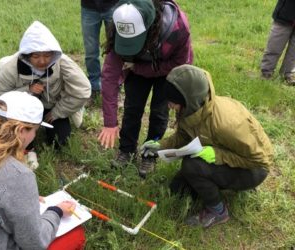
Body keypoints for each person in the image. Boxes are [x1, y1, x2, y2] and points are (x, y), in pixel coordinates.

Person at [0, 91, 86, 249]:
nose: (34, 136)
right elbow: (34, 244)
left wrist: (22, 200)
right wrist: (56, 211)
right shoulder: (20, 176)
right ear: (20, 131)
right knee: (75, 235)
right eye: (34, 130)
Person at [141, 65, 273, 228]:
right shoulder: (192, 107)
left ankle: (218, 211)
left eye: (173, 102)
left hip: (254, 170)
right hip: (235, 156)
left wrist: (217, 155)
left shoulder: (227, 124)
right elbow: (183, 136)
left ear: (188, 98)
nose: (169, 105)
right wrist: (160, 146)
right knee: (178, 190)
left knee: (191, 166)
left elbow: (260, 161)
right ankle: (217, 182)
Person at [98, 0, 193, 178]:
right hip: (134, 63)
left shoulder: (178, 29)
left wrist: (141, 69)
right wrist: (110, 123)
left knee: (159, 112)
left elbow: (179, 65)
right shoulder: (120, 24)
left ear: (150, 27)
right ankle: (126, 150)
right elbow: (109, 77)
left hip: (167, 69)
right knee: (132, 107)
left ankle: (150, 153)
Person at [0, 21, 91, 155]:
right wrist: (28, 89)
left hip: (52, 105)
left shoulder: (62, 62)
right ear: (27, 55)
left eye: (47, 55)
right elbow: (1, 97)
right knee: (18, 142)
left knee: (60, 143)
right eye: (36, 56)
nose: (42, 61)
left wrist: (57, 112)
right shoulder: (9, 67)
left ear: (53, 54)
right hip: (22, 109)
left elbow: (82, 90)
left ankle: (51, 121)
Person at [81, 0, 118, 98]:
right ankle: (94, 87)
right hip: (89, 8)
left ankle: (114, 84)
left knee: (116, 49)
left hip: (113, 5)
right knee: (91, 51)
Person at [260, 0, 295, 85]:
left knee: (293, 52)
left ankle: (286, 75)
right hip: (285, 14)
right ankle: (266, 73)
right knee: (274, 45)